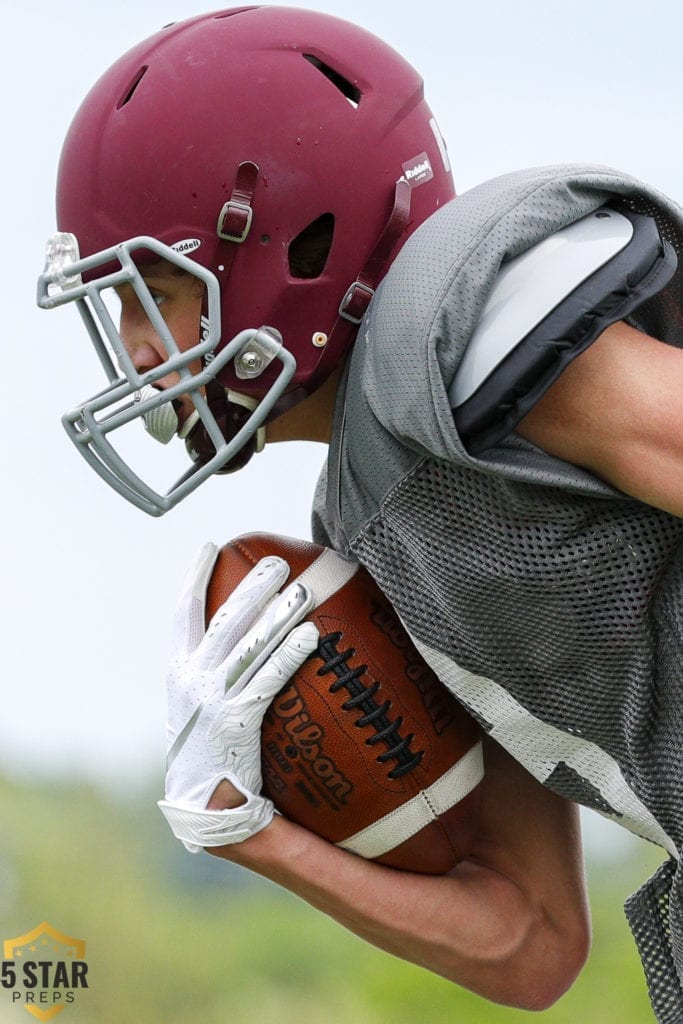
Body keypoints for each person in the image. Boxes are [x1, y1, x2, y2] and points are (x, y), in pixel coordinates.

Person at [37, 7, 683, 1021]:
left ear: (299, 242)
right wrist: (246, 832)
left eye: (155, 291)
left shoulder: (453, 327)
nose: (135, 349)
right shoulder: (369, 530)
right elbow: (531, 939)